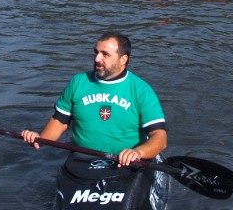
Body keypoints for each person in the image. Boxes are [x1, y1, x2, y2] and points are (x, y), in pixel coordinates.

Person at [21, 32, 167, 168]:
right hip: (83, 160)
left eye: (105, 54)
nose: (97, 58)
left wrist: (138, 153)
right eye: (96, 52)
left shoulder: (141, 90)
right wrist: (39, 139)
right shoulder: (78, 82)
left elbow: (160, 137)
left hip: (126, 163)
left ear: (123, 59)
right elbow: (60, 122)